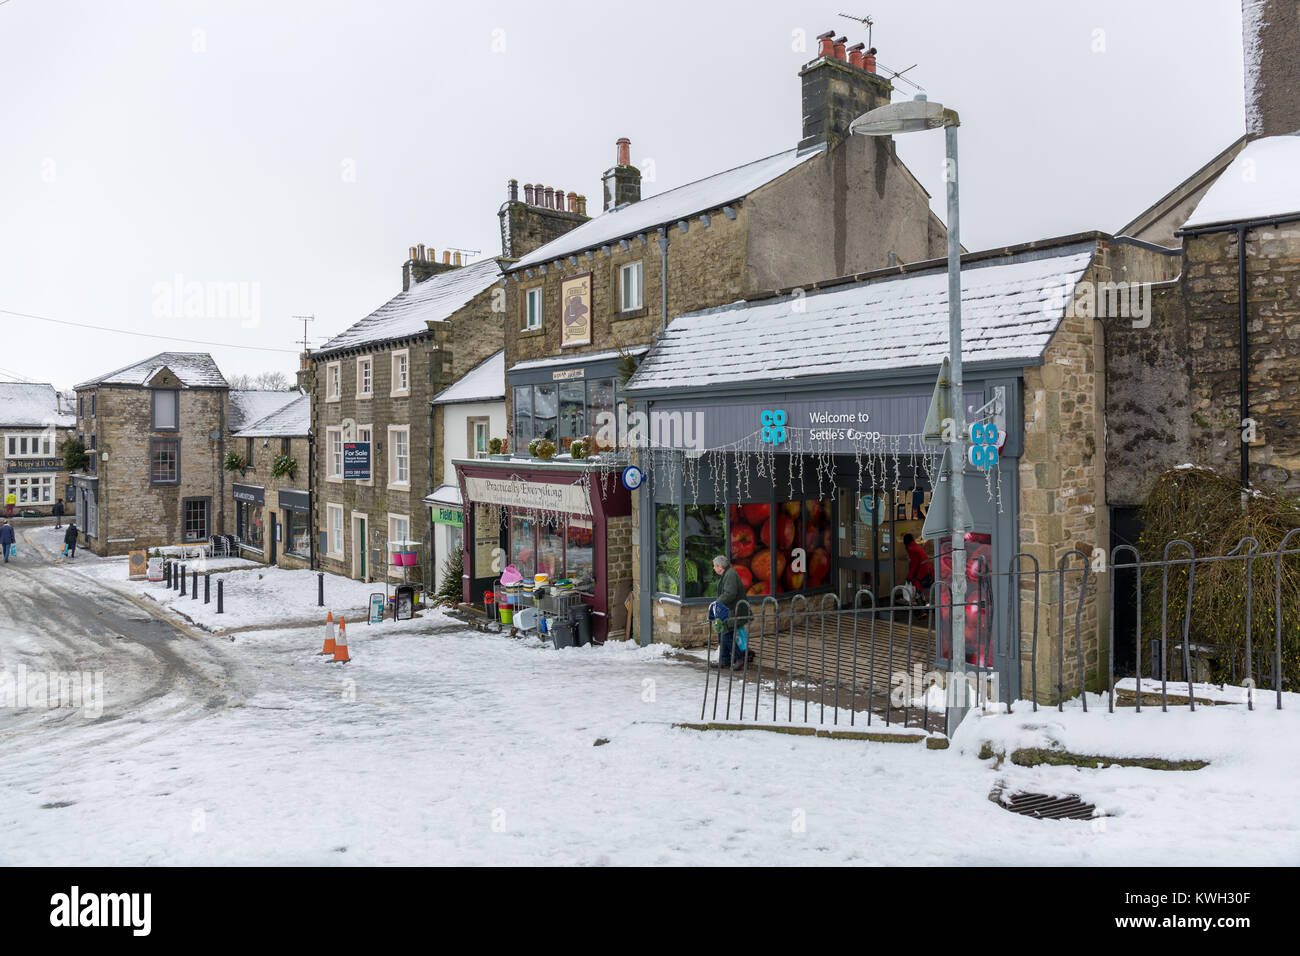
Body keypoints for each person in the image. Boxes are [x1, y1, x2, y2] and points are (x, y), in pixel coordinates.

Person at [711, 555, 750, 670]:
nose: (713, 568)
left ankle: (740, 659)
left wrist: (717, 602)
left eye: (714, 566)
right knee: (722, 634)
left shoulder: (730, 575)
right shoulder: (727, 574)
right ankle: (724, 660)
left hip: (733, 611)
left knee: (726, 635)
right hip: (728, 610)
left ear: (720, 567)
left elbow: (730, 593)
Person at [904, 533, 935, 600]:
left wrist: (909, 577)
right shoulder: (916, 547)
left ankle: (921, 605)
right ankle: (924, 603)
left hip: (922, 574)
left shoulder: (911, 549)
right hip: (927, 571)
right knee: (922, 591)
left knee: (918, 591)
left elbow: (914, 564)